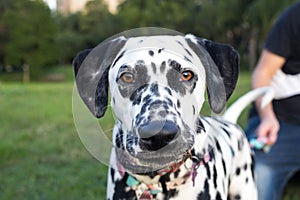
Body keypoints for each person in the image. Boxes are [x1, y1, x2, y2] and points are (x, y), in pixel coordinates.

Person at [245, 2, 300, 200]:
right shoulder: (295, 17)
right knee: (257, 172)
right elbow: (263, 73)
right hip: (281, 120)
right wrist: (267, 117)